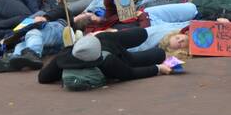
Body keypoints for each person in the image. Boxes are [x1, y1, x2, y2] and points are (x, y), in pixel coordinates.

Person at [38, 28, 176, 86]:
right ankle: (113, 31)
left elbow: (42, 78)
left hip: (102, 41)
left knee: (140, 34)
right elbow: (130, 73)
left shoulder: (63, 57)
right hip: (115, 49)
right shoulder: (107, 60)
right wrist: (158, 68)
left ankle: (114, 31)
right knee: (158, 53)